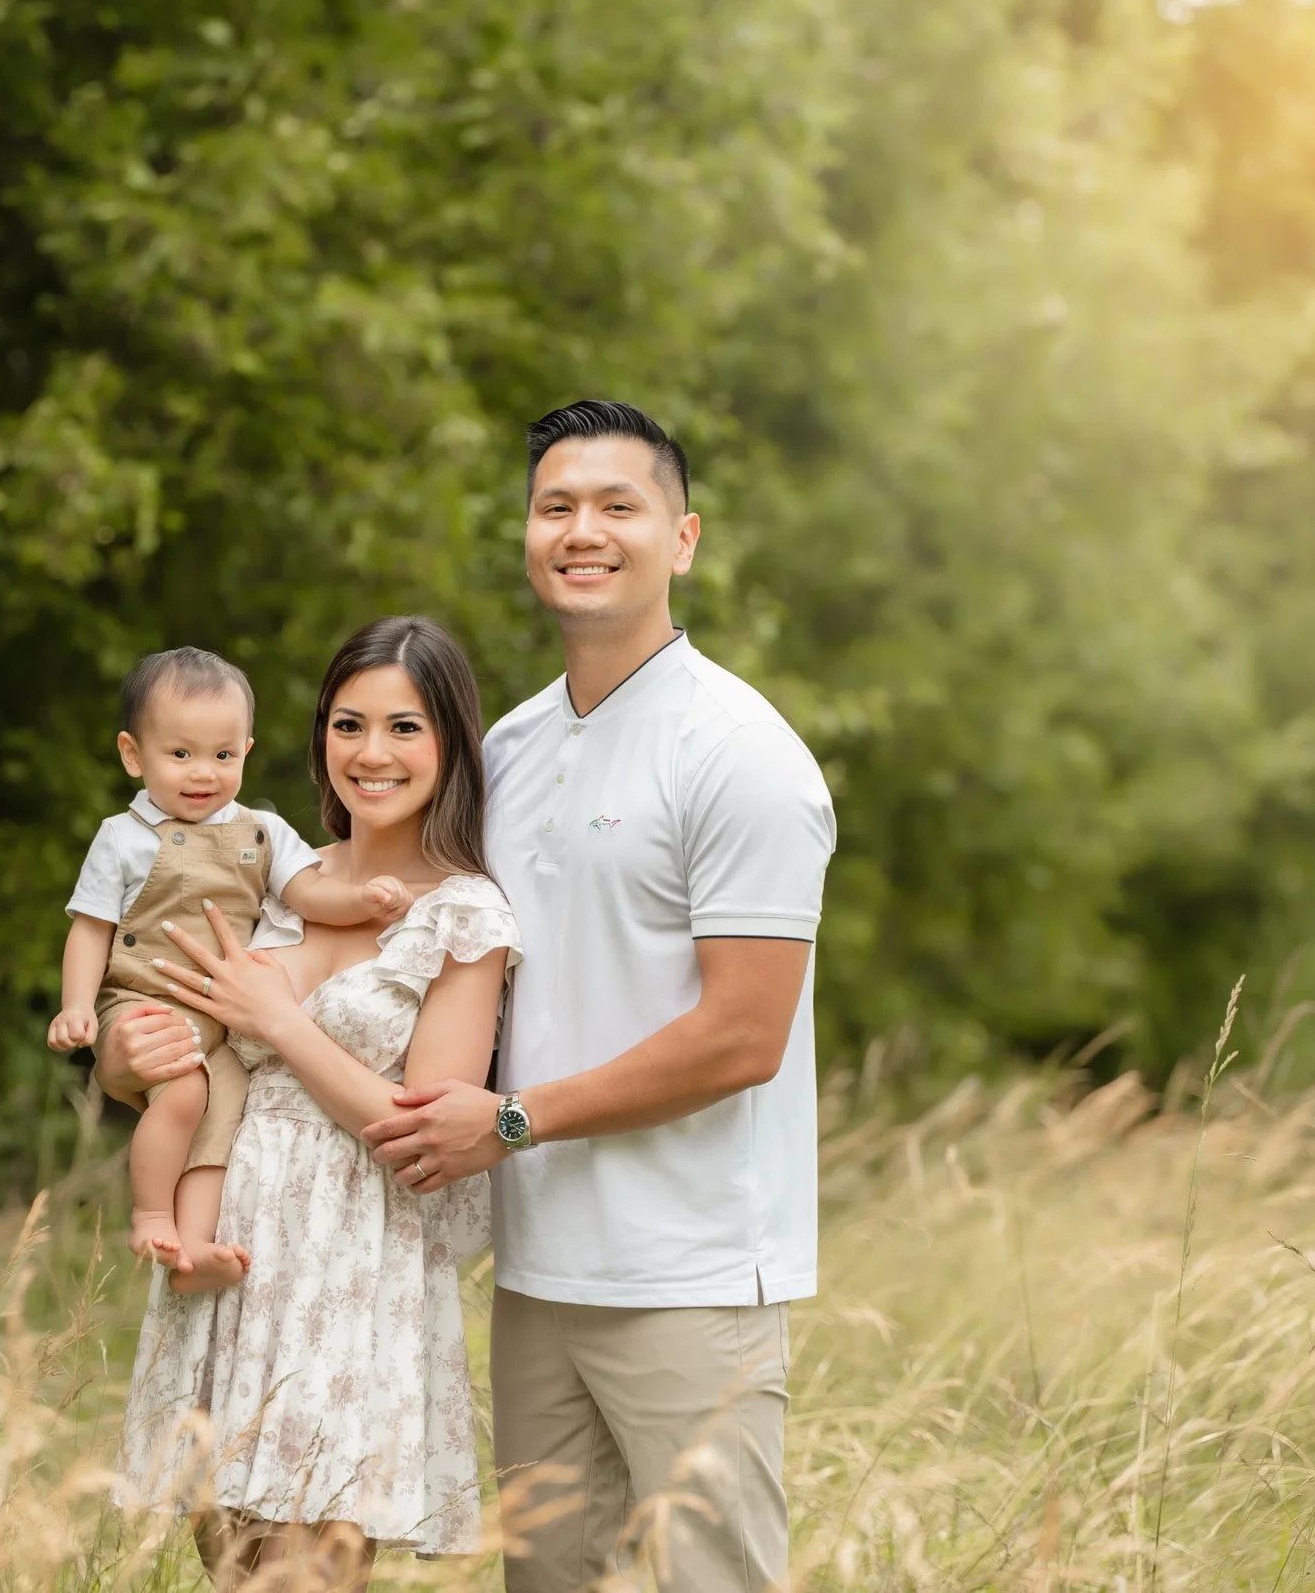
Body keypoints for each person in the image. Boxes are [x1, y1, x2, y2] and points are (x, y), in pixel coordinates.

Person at [360, 400, 836, 1593]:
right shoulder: (504, 752)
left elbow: (743, 1035)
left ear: (682, 537)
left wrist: (513, 1120)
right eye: (555, 506)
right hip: (536, 1269)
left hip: (690, 1274)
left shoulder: (740, 752)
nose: (582, 530)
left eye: (617, 505)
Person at [97, 616, 518, 1589]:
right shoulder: (270, 875)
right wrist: (123, 1054)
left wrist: (282, 1023)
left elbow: (423, 1134)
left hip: (351, 1262)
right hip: (232, 1250)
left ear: (450, 742)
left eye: (405, 727)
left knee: (303, 1575)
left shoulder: (464, 913)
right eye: (348, 724)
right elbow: (178, 1037)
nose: (371, 753)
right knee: (233, 1567)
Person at [50, 645, 411, 1285]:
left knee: (226, 1114)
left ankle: (192, 1247)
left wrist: (360, 901)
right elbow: (91, 928)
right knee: (186, 1094)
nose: (203, 773)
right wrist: (78, 1006)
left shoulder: (263, 832)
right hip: (145, 999)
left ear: (246, 750)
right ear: (133, 754)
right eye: (180, 754)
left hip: (222, 1017)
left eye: (222, 756)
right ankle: (149, 1214)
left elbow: (308, 893)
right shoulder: (123, 837)